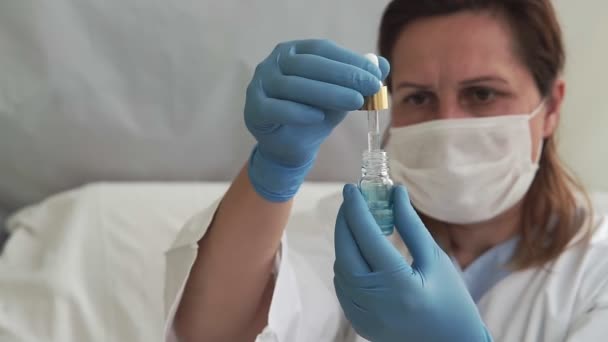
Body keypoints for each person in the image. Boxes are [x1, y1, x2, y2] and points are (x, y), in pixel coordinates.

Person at [166, 0, 608, 341]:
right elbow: (213, 333)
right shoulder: (352, 230)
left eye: (481, 94)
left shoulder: (598, 263)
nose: (447, 124)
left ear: (550, 108)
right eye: (418, 97)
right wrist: (273, 170)